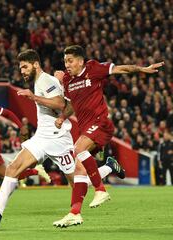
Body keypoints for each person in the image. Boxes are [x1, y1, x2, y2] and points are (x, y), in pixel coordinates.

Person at [0, 49, 124, 227]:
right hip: (42, 137)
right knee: (13, 168)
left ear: (35, 64)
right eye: (20, 67)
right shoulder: (39, 82)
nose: (22, 71)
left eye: (25, 66)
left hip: (58, 139)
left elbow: (61, 104)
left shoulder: (46, 81)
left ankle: (108, 167)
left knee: (78, 181)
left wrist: (33, 97)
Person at [53, 45, 164, 227]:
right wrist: (63, 117)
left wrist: (142, 69)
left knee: (78, 149)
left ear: (80, 61)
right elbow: (73, 103)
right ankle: (75, 212)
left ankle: (100, 189)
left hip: (101, 123)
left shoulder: (93, 68)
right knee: (79, 169)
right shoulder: (67, 80)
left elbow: (121, 69)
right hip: (86, 128)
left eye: (70, 61)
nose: (67, 64)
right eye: (65, 61)